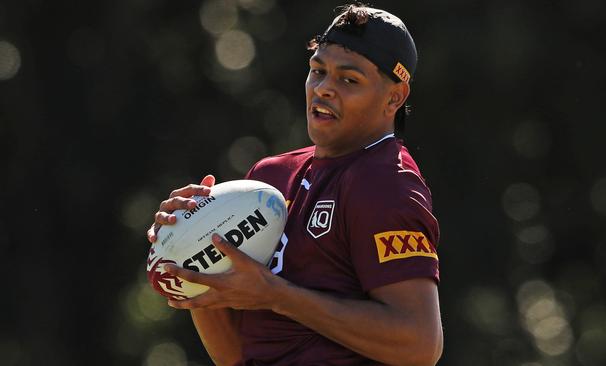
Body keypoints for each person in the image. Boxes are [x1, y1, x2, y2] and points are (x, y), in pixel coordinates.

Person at [147, 4, 443, 365]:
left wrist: (276, 295)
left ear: (394, 97)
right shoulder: (269, 177)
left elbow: (419, 344)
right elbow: (236, 356)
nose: (324, 89)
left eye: (349, 80)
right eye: (317, 71)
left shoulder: (384, 183)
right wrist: (194, 252)